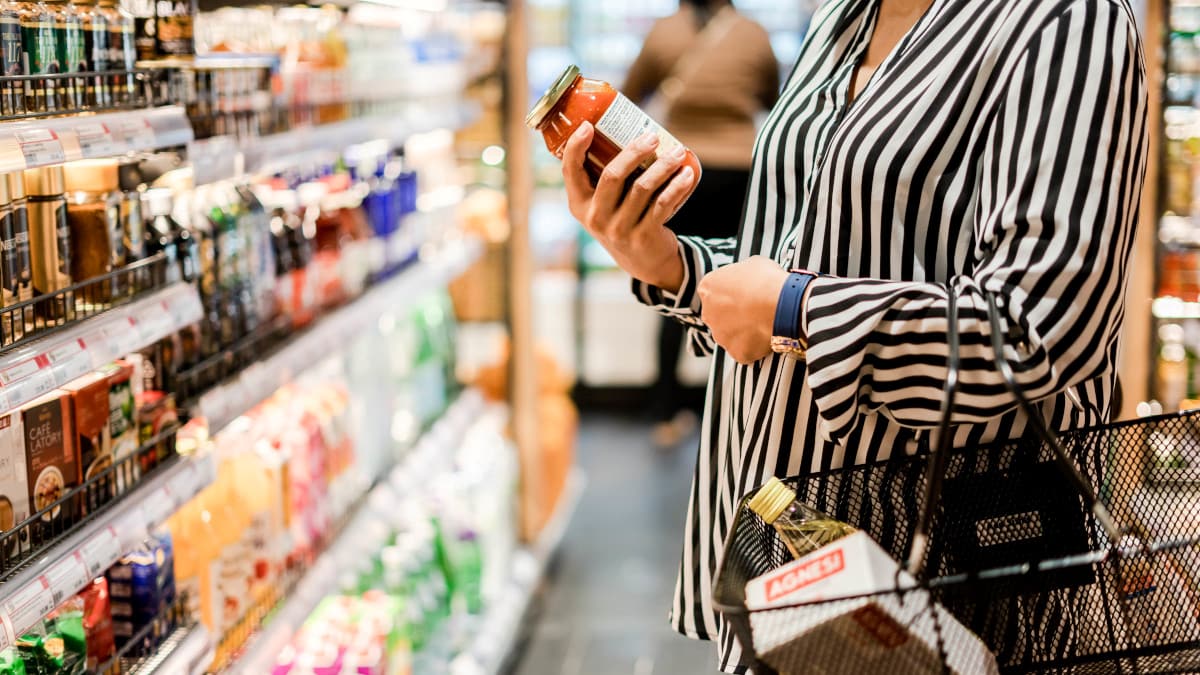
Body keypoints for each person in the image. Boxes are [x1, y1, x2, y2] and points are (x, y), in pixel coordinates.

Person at [559, 0, 1147, 672]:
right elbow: (796, 257)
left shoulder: (1064, 19)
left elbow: (1038, 325)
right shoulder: (842, 16)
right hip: (787, 543)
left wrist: (794, 309)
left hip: (940, 567)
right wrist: (666, 262)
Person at [619, 0, 779, 447]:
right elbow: (771, 99)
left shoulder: (662, 32)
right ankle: (733, 412)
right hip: (739, 174)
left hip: (678, 171)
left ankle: (665, 411)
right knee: (737, 285)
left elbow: (629, 98)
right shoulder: (754, 33)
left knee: (677, 282)